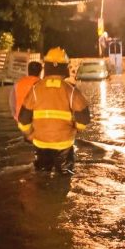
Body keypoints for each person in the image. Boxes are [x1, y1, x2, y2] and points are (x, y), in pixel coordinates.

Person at [18, 47, 90, 175]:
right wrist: (77, 129)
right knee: (64, 179)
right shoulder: (70, 90)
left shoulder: (35, 89)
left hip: (41, 144)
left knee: (41, 179)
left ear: (47, 67)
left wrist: (29, 134)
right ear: (64, 68)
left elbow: (23, 119)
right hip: (64, 146)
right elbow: (84, 118)